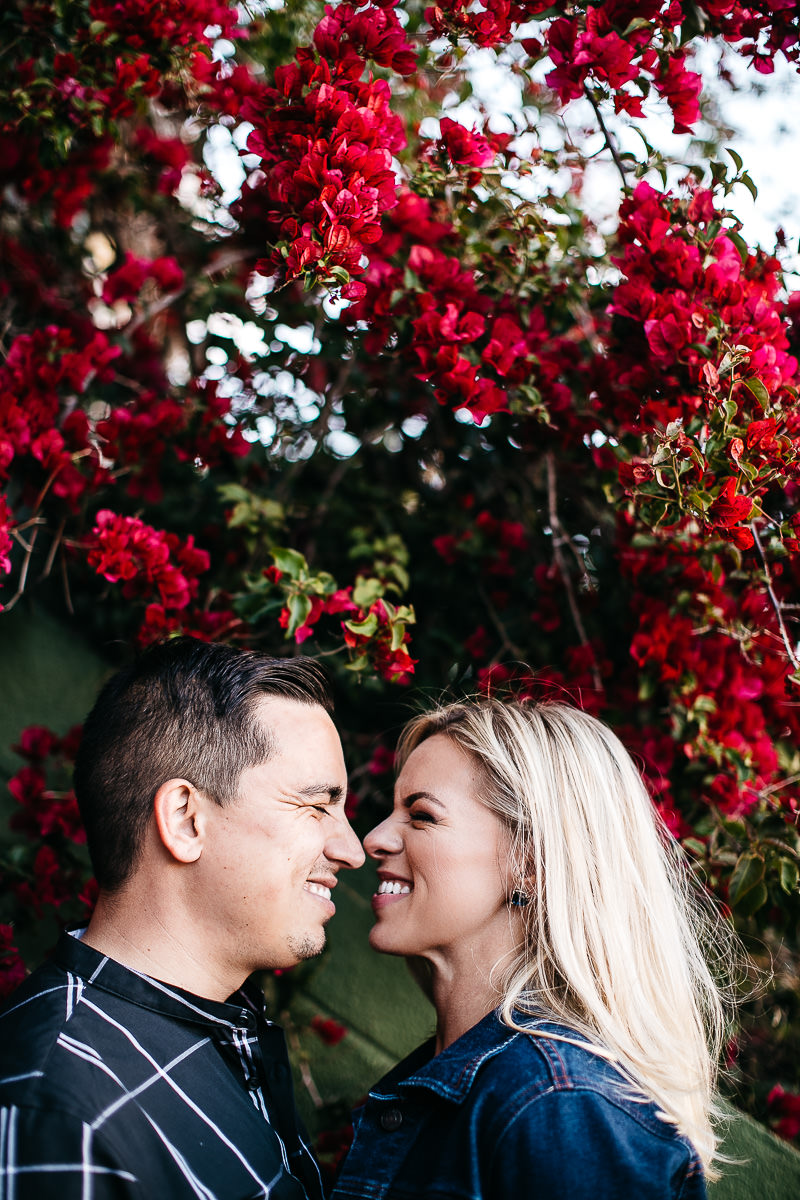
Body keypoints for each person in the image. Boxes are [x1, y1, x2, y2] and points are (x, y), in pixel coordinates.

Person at [0, 636, 364, 1198]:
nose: (351, 849)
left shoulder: (222, 1029)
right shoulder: (64, 1115)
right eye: (317, 806)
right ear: (186, 820)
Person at [331, 698, 731, 1200]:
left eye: (422, 815)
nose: (374, 838)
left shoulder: (559, 1107)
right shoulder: (489, 1084)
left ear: (531, 861)